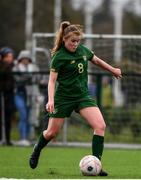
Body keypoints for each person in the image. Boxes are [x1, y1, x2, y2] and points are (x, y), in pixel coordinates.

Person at [29, 21, 122, 176]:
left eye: (78, 41)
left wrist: (113, 70)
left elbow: (97, 61)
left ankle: (97, 164)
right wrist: (50, 100)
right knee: (51, 133)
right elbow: (52, 82)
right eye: (73, 41)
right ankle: (36, 150)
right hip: (63, 98)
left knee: (100, 126)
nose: (75, 44)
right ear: (64, 39)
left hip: (82, 96)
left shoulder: (83, 50)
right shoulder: (59, 57)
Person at [0, 47, 15, 146]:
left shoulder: (13, 66)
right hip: (1, 94)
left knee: (8, 117)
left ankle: (8, 139)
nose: (10, 59)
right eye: (8, 56)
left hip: (8, 95)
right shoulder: (2, 66)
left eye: (11, 56)